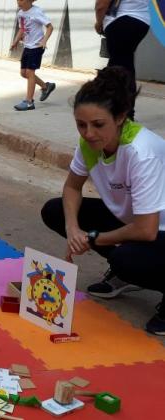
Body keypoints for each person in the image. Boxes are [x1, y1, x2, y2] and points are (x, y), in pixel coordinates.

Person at [40, 66, 165, 336]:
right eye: (81, 125)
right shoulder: (89, 144)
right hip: (136, 223)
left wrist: (92, 238)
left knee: (125, 257)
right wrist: (73, 229)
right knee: (54, 211)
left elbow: (147, 229)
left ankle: (134, 273)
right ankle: (125, 275)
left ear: (120, 117)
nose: (88, 133)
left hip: (156, 229)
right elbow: (72, 187)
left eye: (98, 125)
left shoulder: (141, 152)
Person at [94, 0, 150, 119]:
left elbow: (101, 5)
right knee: (123, 63)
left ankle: (125, 115)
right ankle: (117, 109)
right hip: (142, 20)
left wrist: (99, 23)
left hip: (121, 19)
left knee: (119, 67)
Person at [10, 0, 55, 111]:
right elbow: (22, 28)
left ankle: (29, 102)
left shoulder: (37, 12)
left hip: (37, 47)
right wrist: (15, 41)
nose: (19, 2)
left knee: (30, 73)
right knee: (23, 73)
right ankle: (46, 87)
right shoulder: (20, 13)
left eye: (22, 0)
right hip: (27, 46)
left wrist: (44, 41)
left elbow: (50, 27)